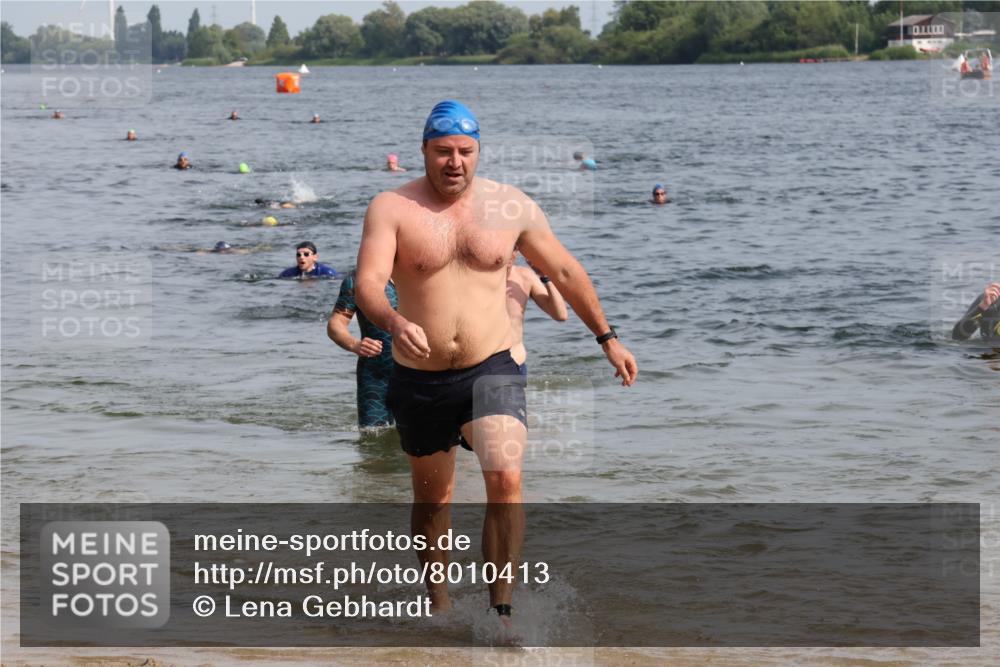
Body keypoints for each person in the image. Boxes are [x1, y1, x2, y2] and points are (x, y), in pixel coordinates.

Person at [354, 100, 637, 626]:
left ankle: (500, 609)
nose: (454, 162)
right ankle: (438, 604)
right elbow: (369, 282)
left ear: (479, 152)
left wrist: (608, 338)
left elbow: (567, 272)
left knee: (505, 476)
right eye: (443, 152)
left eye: (465, 151)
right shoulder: (390, 206)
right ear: (424, 151)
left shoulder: (512, 206)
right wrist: (393, 322)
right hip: (419, 377)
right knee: (434, 499)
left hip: (493, 366)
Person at [327, 271, 398, 429]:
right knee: (372, 441)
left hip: (420, 375)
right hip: (375, 377)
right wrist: (354, 344)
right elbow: (335, 325)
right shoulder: (357, 280)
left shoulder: (421, 275)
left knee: (424, 443)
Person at [506, 250, 568, 375]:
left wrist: (545, 277)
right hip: (481, 364)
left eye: (513, 249)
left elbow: (560, 314)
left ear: (517, 252)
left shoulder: (524, 276)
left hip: (515, 364)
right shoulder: (476, 277)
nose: (508, 253)